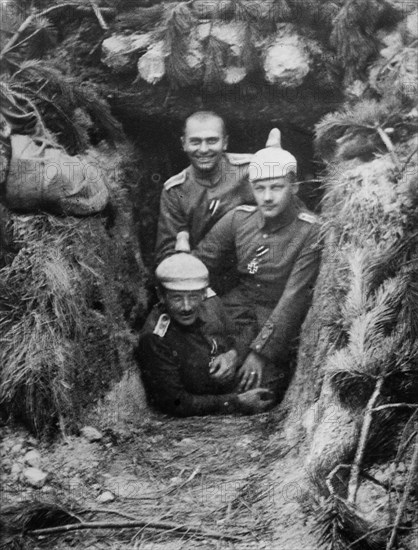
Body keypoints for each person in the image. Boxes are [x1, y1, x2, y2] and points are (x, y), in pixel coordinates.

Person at [193, 128, 322, 398]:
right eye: (260, 188)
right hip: (237, 306)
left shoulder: (309, 231)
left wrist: (259, 354)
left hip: (275, 316)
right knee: (197, 360)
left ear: (294, 186)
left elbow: (293, 298)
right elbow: (199, 263)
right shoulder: (240, 219)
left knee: (260, 384)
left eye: (277, 187)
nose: (267, 197)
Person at [135, 252, 274, 417]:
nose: (187, 307)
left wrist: (233, 355)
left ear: (203, 293)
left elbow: (242, 332)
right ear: (161, 296)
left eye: (193, 297)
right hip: (205, 400)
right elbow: (176, 402)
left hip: (230, 384)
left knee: (276, 380)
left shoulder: (211, 304)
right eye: (177, 298)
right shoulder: (155, 337)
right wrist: (237, 402)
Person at [155, 111, 255, 264]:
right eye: (195, 142)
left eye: (212, 141)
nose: (203, 149)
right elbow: (167, 253)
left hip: (251, 263)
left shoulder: (250, 169)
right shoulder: (175, 191)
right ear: (184, 144)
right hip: (203, 270)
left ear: (225, 142)